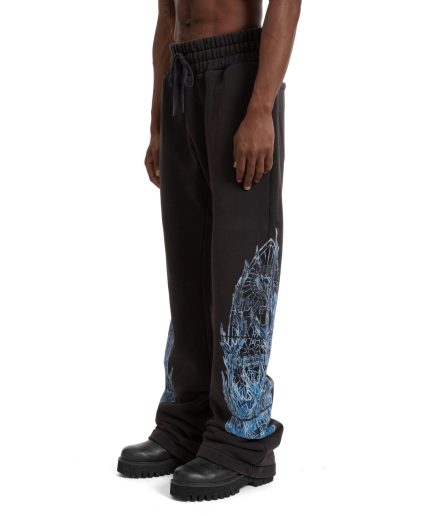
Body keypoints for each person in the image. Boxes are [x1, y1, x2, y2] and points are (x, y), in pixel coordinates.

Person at [117, 0, 301, 501]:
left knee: (239, 262)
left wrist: (260, 108)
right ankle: (188, 419)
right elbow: (166, 15)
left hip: (240, 73)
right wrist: (158, 122)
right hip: (181, 77)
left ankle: (243, 436)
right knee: (187, 267)